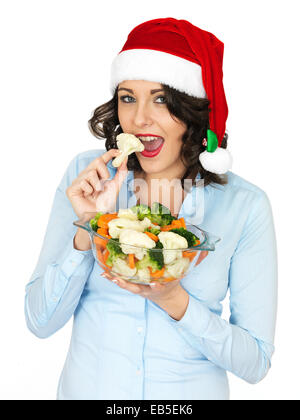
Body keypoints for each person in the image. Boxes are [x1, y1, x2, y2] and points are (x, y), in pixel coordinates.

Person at [24, 17, 278, 400]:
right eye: (128, 97)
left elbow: (256, 363)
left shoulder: (245, 206)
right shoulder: (86, 176)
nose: (139, 118)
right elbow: (39, 321)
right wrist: (86, 226)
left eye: (161, 99)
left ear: (191, 109)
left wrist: (173, 300)